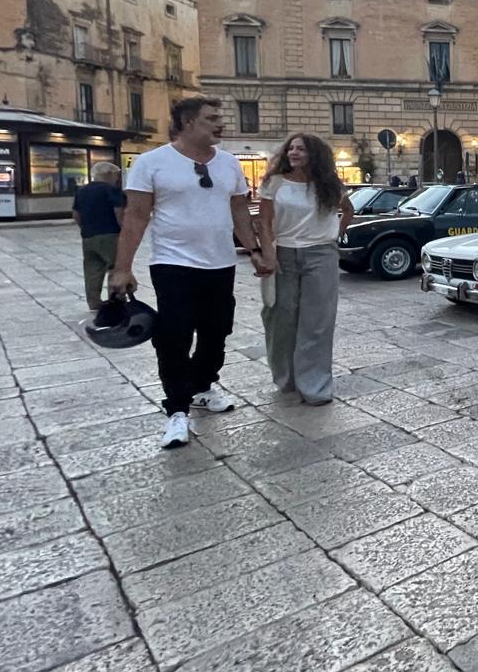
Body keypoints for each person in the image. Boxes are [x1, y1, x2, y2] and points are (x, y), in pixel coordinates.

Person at [110, 96, 270, 449]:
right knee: (175, 337)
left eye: (219, 117)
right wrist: (122, 268)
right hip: (173, 264)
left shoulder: (229, 164)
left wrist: (254, 249)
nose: (220, 123)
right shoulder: (152, 163)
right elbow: (135, 217)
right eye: (211, 118)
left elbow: (239, 211)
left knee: (217, 332)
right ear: (186, 122)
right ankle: (177, 409)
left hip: (221, 263)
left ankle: (201, 387)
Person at [257, 133, 353, 406]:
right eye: (291, 148)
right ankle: (286, 378)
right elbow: (263, 223)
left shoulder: (329, 184)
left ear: (314, 154)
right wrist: (268, 253)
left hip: (321, 254)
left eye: (300, 149)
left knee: (318, 322)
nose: (293, 152)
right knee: (280, 318)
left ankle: (315, 385)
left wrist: (333, 235)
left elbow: (348, 210)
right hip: (284, 253)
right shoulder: (274, 183)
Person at [73, 161, 126, 311]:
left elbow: (76, 214)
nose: (117, 179)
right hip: (110, 234)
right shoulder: (111, 190)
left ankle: (94, 302)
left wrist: (85, 228)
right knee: (116, 267)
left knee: (92, 270)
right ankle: (117, 301)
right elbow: (119, 212)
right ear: (108, 174)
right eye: (116, 175)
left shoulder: (82, 191)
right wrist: (125, 230)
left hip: (88, 236)